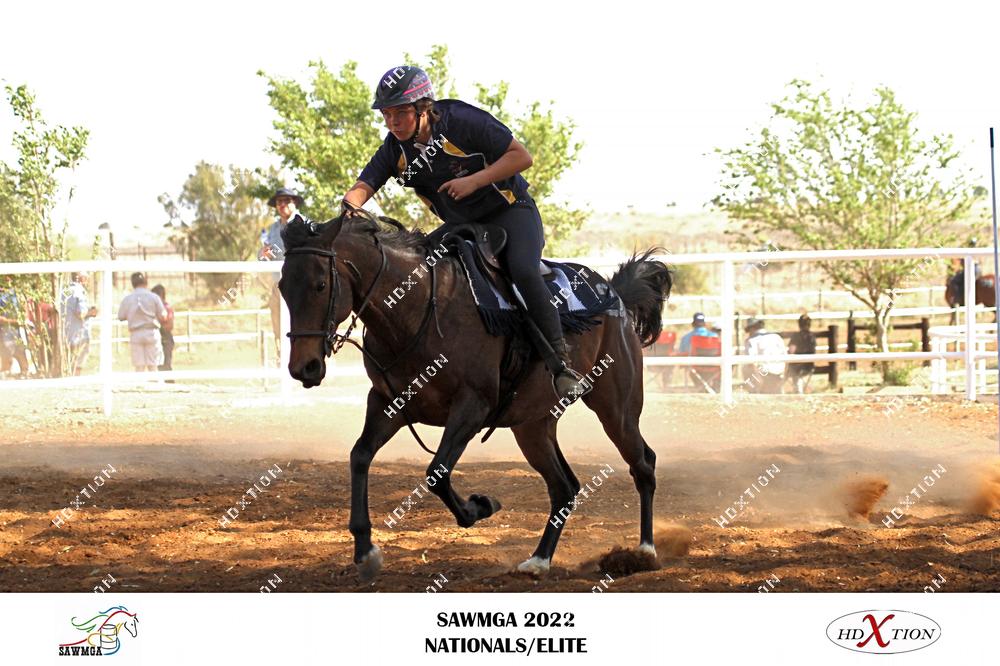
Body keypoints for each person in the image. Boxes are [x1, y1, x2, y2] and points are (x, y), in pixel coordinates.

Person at [341, 65, 590, 401]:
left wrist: (474, 181)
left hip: (510, 211)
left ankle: (561, 366)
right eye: (386, 114)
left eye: (400, 112)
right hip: (463, 225)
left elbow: (522, 157)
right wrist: (348, 208)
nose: (392, 122)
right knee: (420, 271)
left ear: (423, 108)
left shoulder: (462, 120)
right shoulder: (394, 149)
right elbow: (363, 186)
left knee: (523, 269)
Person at [260, 187, 309, 361]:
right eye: (279, 202)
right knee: (278, 324)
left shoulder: (305, 225)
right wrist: (264, 254)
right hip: (278, 286)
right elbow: (263, 256)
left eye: (287, 201)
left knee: (304, 324)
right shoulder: (272, 229)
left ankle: (308, 358)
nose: (282, 205)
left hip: (301, 286)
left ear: (294, 203)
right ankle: (282, 358)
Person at [117, 272, 168, 372]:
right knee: (153, 366)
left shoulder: (128, 299)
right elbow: (163, 315)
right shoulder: (154, 297)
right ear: (145, 282)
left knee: (139, 367)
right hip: (151, 332)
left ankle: (140, 381)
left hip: (136, 333)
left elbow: (121, 316)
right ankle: (154, 382)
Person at [60, 272, 98, 376]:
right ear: (80, 278)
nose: (87, 280)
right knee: (77, 363)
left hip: (66, 333)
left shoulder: (65, 291)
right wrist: (91, 312)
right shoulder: (80, 291)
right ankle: (75, 379)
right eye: (86, 277)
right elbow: (80, 313)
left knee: (69, 362)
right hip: (78, 334)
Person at [743, 317, 786, 394]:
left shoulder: (751, 340)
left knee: (745, 367)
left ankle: (753, 391)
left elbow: (751, 361)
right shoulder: (776, 337)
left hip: (764, 373)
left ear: (752, 328)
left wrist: (757, 377)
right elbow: (785, 356)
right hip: (779, 372)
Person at [0, 281, 29, 378]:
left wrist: (22, 319)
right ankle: (5, 373)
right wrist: (13, 321)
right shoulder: (3, 296)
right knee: (7, 352)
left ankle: (24, 373)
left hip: (16, 330)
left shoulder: (15, 293)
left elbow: (24, 309)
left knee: (20, 351)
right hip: (4, 330)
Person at [787, 314, 816, 394]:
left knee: (789, 368)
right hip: (809, 366)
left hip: (796, 367)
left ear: (799, 324)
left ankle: (796, 390)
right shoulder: (812, 336)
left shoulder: (796, 336)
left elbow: (791, 351)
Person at [151, 284, 175, 374]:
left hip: (165, 338)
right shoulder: (153, 308)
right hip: (155, 338)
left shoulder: (167, 308)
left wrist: (158, 326)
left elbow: (170, 325)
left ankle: (169, 381)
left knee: (165, 365)